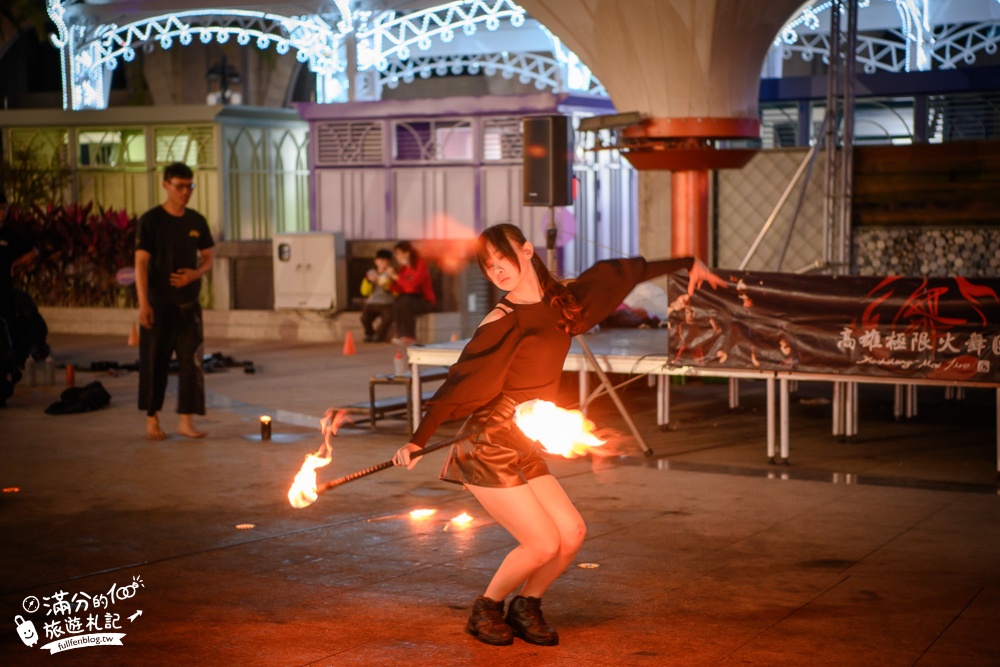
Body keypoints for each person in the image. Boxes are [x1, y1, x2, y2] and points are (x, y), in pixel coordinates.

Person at [393, 223, 724, 646]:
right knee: (543, 542)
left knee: (572, 533)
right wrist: (418, 440)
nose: (497, 270)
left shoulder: (561, 303)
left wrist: (686, 262)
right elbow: (461, 381)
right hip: (487, 444)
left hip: (526, 439)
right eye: (489, 266)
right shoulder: (502, 318)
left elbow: (616, 275)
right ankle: (486, 609)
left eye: (503, 259)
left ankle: (526, 604)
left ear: (527, 251)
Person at [134, 162, 215, 440]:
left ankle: (185, 421)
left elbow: (208, 257)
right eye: (180, 186)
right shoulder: (151, 221)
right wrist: (143, 304)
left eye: (190, 186)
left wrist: (196, 273)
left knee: (191, 363)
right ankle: (152, 419)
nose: (185, 192)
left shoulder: (196, 221)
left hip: (188, 306)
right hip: (159, 305)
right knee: (154, 363)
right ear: (165, 185)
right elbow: (141, 264)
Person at [0, 188, 39, 406]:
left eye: (4, 209)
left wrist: (17, 264)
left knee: (7, 337)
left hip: (4, 294)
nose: (1, 214)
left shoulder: (10, 234)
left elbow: (34, 252)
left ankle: (6, 378)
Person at [387, 240, 436, 346]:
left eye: (399, 254)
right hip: (409, 299)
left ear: (407, 253)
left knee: (405, 301)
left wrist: (396, 276)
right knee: (398, 302)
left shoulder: (420, 265)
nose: (397, 257)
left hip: (425, 301)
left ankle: (409, 336)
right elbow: (400, 288)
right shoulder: (403, 269)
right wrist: (389, 282)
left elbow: (412, 286)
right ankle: (401, 335)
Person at [359, 249, 396, 342]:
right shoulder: (371, 273)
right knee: (364, 317)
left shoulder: (391, 273)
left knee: (388, 318)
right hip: (372, 302)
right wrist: (368, 281)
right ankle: (369, 333)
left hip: (387, 302)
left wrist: (387, 281)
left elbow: (395, 290)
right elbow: (364, 292)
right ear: (376, 261)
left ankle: (379, 336)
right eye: (381, 261)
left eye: (386, 261)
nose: (384, 264)